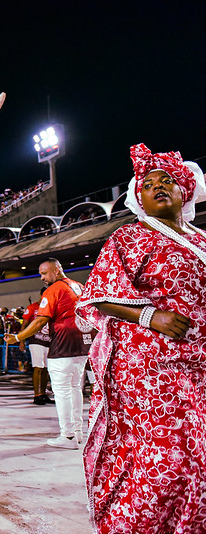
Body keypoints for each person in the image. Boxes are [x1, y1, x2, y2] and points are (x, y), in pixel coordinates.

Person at [75, 144, 206, 532]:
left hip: (200, 363)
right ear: (139, 199)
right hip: (149, 367)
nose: (159, 186)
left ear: (186, 191)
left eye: (168, 181)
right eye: (149, 184)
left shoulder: (201, 240)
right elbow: (99, 294)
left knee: (199, 453)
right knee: (172, 456)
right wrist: (151, 316)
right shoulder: (126, 239)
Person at [5, 258, 92, 449]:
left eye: (44, 273)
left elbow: (40, 321)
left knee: (62, 391)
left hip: (63, 345)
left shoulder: (54, 289)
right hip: (82, 343)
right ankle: (77, 432)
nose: (42, 278)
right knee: (76, 388)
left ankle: (67, 436)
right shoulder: (79, 286)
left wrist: (18, 337)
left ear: (57, 270)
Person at [19, 288, 52, 405]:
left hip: (49, 341)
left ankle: (43, 394)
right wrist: (21, 340)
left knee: (45, 370)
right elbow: (24, 324)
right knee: (38, 367)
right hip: (36, 341)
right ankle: (37, 395)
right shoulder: (33, 307)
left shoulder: (51, 307)